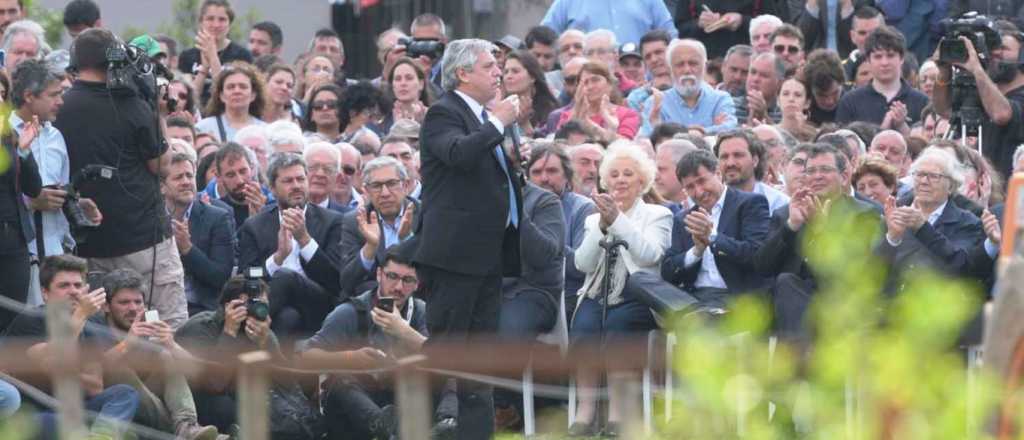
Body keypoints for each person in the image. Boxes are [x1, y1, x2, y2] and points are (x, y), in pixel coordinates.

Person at [415, 38, 524, 440]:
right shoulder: (444, 112)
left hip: (488, 254)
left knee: (479, 362)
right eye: (489, 66)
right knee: (446, 354)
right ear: (462, 73)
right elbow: (458, 154)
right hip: (453, 257)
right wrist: (497, 123)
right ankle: (417, 428)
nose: (499, 72)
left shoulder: (482, 117)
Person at [56, 28, 189, 329]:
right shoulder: (132, 104)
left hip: (88, 245)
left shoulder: (60, 107)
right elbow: (162, 165)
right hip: (144, 242)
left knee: (103, 335)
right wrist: (158, 114)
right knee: (166, 326)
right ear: (114, 60)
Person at [300, 242, 458, 439]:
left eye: (408, 280)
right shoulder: (351, 311)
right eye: (392, 276)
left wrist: (404, 331)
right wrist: (350, 357)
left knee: (451, 368)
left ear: (417, 284)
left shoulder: (422, 312)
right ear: (379, 275)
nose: (399, 287)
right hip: (358, 404)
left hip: (404, 394)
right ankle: (383, 428)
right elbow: (306, 356)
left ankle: (447, 425)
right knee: (341, 378)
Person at [568, 142, 672, 437]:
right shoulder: (592, 218)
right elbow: (583, 263)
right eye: (614, 175)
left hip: (638, 294)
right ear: (605, 181)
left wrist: (618, 220)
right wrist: (602, 226)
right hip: (598, 292)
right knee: (584, 328)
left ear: (642, 181)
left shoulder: (658, 214)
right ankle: (585, 412)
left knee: (617, 327)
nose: (621, 180)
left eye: (628, 174)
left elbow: (649, 255)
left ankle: (617, 413)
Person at [3, 254, 140, 439]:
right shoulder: (31, 320)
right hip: (34, 414)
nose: (73, 291)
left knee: (124, 393)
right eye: (64, 286)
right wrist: (80, 316)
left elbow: (94, 387)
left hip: (76, 410)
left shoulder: (88, 327)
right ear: (45, 293)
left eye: (77, 285)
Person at [753, 144, 879, 341]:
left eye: (825, 170)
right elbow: (763, 266)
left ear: (843, 177)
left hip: (839, 300)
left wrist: (821, 230)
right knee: (786, 283)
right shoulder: (786, 214)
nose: (817, 176)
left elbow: (857, 273)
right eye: (811, 171)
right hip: (790, 301)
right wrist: (792, 225)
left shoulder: (863, 214)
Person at [95, 268, 224, 439]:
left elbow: (202, 374)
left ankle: (187, 425)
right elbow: (98, 370)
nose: (133, 308)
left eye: (138, 302)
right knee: (119, 369)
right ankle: (186, 433)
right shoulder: (95, 327)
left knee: (164, 355)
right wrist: (128, 343)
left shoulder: (146, 328)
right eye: (124, 302)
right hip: (114, 403)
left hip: (147, 403)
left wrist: (171, 344)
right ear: (106, 306)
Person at [236, 153, 343, 337]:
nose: (296, 186)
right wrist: (277, 259)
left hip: (319, 304)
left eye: (300, 179)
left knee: (286, 277)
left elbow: (335, 279)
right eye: (288, 181)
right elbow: (247, 275)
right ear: (272, 188)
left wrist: (304, 240)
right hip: (277, 306)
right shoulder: (255, 226)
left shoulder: (332, 221)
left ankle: (238, 330)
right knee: (288, 318)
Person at [662, 149, 771, 308]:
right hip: (692, 296)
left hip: (733, 296)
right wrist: (696, 252)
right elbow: (668, 271)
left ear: (718, 174)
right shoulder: (684, 218)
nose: (699, 192)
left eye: (702, 181)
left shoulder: (750, 204)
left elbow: (757, 256)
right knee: (640, 280)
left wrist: (713, 237)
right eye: (690, 187)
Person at [16, 60, 100, 265]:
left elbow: (61, 188)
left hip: (56, 253)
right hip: (16, 254)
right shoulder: (5, 134)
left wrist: (76, 203)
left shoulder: (56, 137)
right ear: (29, 96)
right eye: (54, 95)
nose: (61, 101)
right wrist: (29, 203)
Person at [175, 275, 281, 432]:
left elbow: (286, 382)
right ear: (228, 306)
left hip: (241, 397)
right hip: (200, 401)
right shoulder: (200, 328)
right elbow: (215, 384)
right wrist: (229, 333)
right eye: (249, 305)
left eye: (261, 305)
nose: (256, 310)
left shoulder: (262, 332)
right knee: (224, 407)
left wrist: (265, 344)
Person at [880, 147, 985, 281]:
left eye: (934, 176)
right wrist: (892, 238)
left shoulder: (968, 222)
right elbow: (871, 270)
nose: (924, 181)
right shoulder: (896, 212)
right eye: (919, 174)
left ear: (951, 186)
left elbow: (961, 264)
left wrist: (923, 228)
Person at [933, 28, 1024, 180]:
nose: (995, 53)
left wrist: (977, 69)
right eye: (991, 48)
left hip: (1011, 186)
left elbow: (1001, 114)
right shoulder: (981, 91)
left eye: (1003, 48)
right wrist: (943, 71)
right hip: (977, 184)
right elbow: (943, 109)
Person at [526, 142, 596, 313]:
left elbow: (580, 267)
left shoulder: (583, 208)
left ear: (567, 175)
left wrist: (547, 241)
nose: (544, 178)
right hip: (522, 290)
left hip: (567, 294)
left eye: (552, 171)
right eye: (536, 172)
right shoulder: (520, 206)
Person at [162, 153, 235, 316]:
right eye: (178, 177)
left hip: (201, 309)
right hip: (159, 307)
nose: (186, 182)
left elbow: (221, 277)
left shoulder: (217, 218)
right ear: (161, 186)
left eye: (189, 176)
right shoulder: (151, 218)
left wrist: (187, 249)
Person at [338, 156, 417, 299]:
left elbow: (432, 273)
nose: (385, 193)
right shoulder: (355, 221)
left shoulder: (424, 215)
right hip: (374, 302)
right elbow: (347, 283)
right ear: (366, 191)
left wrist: (407, 241)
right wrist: (370, 247)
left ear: (405, 186)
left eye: (392, 184)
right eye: (376, 186)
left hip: (418, 298)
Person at [835, 26, 929, 132]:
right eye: (878, 57)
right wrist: (883, 129)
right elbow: (843, 141)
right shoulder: (850, 102)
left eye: (890, 55)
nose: (884, 63)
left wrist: (902, 126)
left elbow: (928, 140)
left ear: (902, 58)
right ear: (868, 60)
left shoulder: (922, 102)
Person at [640, 39, 737, 137]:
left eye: (693, 63)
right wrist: (711, 130)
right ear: (670, 69)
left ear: (704, 67)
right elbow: (647, 138)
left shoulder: (720, 99)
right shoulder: (655, 103)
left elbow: (730, 129)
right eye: (680, 65)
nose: (687, 70)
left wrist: (701, 132)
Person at [0, 97, 40, 330]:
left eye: (2, 93)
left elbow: (33, 188)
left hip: (15, 240)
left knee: (12, 318)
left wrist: (23, 151)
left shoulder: (9, 138)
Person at [557, 61, 641, 142]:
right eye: (585, 82)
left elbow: (625, 144)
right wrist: (576, 114)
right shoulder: (567, 116)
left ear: (610, 84)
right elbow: (560, 143)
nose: (590, 86)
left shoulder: (627, 114)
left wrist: (589, 125)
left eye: (595, 80)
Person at [714, 129, 791, 216]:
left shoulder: (779, 204)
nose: (730, 163)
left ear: (755, 160)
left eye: (738, 155)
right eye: (724, 157)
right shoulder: (709, 203)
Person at [676, 1, 784, 60]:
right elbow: (680, 29)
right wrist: (699, 24)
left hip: (747, 59)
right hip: (704, 60)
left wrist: (742, 21)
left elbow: (775, 26)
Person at [542, 0, 677, 46]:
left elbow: (670, 37)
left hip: (639, 80)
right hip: (589, 82)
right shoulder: (567, 1)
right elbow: (544, 37)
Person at [196, 62, 267, 142]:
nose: (237, 91)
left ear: (253, 95)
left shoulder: (265, 131)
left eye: (243, 87)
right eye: (231, 87)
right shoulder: (204, 128)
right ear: (221, 95)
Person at [503, 50, 560, 138]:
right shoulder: (500, 109)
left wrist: (525, 124)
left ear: (532, 77)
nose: (508, 76)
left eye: (515, 71)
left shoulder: (550, 111)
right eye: (506, 72)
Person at [797, 0, 871, 59]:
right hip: (813, 59)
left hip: (850, 59)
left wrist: (847, 7)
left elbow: (858, 41)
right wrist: (812, 5)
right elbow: (801, 40)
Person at [624, 30, 674, 112]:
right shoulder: (636, 98)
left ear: (672, 52)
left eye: (658, 52)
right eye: (648, 57)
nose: (653, 59)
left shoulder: (690, 85)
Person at [733, 52, 786, 126]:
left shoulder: (785, 115)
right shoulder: (729, 105)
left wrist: (764, 116)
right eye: (753, 72)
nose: (755, 79)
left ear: (779, 83)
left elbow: (784, 133)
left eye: (764, 75)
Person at [801, 49, 847, 125]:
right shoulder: (800, 110)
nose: (829, 101)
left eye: (835, 93)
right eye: (821, 95)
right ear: (809, 89)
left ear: (842, 83)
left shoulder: (854, 106)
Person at [385, 57, 433, 127]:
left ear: (421, 84)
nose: (403, 83)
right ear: (392, 85)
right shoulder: (383, 118)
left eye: (409, 78)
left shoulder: (434, 116)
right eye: (398, 79)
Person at [654, 138, 696, 210]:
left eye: (661, 169)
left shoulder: (704, 210)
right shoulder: (652, 210)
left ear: (684, 169)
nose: (655, 177)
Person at [776, 77, 818, 142]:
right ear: (778, 100)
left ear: (807, 103)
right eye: (785, 94)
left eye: (798, 95)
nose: (791, 99)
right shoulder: (769, 132)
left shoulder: (816, 136)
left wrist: (802, 134)